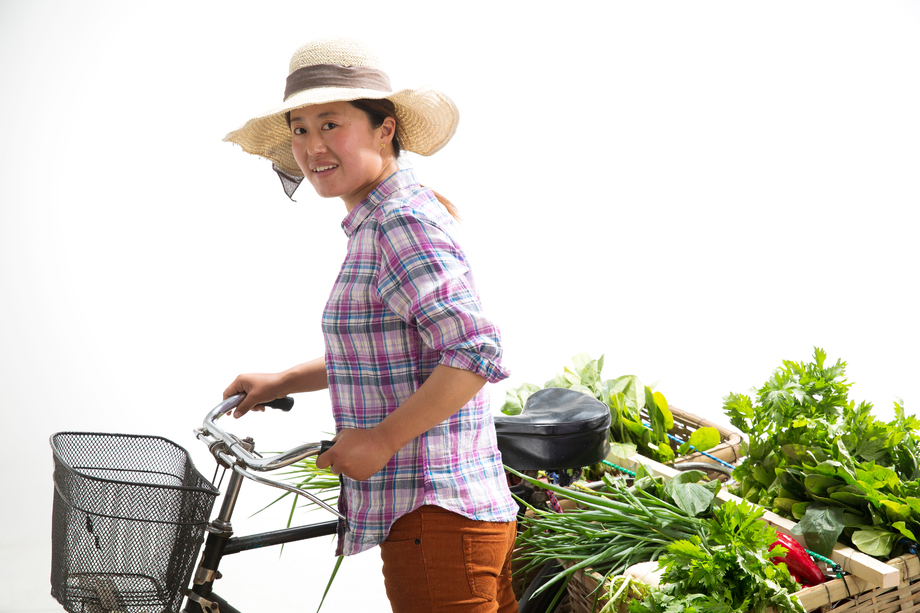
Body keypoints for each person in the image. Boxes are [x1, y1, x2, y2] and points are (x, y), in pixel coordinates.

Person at [221, 37, 518, 613]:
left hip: (434, 513)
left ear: (384, 129)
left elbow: (476, 351)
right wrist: (283, 380)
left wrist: (381, 439)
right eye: (300, 129)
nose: (312, 146)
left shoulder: (398, 220)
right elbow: (396, 353)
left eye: (330, 123)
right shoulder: (382, 216)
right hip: (452, 514)